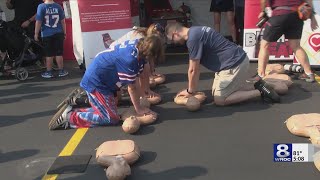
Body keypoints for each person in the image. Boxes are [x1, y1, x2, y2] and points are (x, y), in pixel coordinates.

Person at [48, 36, 163, 130]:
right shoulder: (130, 60)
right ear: (149, 54)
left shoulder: (140, 44)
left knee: (116, 103)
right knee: (110, 118)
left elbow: (139, 76)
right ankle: (70, 117)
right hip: (98, 82)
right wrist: (138, 109)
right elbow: (132, 87)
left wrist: (143, 96)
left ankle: (80, 100)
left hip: (108, 77)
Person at [165, 22, 280, 106]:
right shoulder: (197, 29)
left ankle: (259, 92)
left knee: (220, 100)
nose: (173, 42)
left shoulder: (192, 39)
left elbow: (193, 70)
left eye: (171, 39)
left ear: (175, 34)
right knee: (218, 92)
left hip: (233, 65)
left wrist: (190, 91)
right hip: (237, 60)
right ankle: (258, 84)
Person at [257, 0, 319, 82]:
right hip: (296, 17)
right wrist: (312, 17)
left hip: (279, 14)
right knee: (296, 46)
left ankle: (260, 75)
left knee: (264, 45)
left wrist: (262, 11)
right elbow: (309, 2)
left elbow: (263, 1)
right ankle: (309, 74)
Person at [110, 23, 165, 98]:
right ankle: (140, 92)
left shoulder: (146, 37)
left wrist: (152, 73)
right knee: (142, 73)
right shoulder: (140, 38)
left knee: (151, 78)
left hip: (122, 56)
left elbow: (149, 59)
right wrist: (143, 92)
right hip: (117, 57)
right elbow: (143, 66)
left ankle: (139, 90)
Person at [35, 0, 68, 78]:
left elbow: (38, 21)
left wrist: (36, 33)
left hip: (46, 34)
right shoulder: (58, 6)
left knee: (48, 54)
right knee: (59, 53)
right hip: (58, 32)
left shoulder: (41, 7)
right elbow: (63, 21)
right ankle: (61, 71)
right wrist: (64, 32)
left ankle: (49, 72)